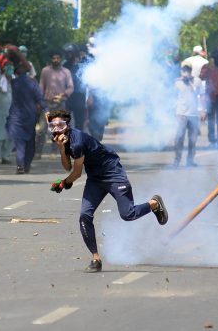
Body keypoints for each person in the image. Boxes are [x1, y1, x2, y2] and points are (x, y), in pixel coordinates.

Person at [47, 109, 168, 272]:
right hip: (95, 179)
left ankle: (154, 204)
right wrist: (61, 148)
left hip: (113, 173)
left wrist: (63, 183)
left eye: (60, 125)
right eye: (52, 126)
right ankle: (96, 259)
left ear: (68, 125)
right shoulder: (60, 140)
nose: (56, 129)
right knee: (84, 215)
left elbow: (75, 173)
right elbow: (67, 166)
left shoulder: (77, 142)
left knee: (128, 214)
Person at [8, 61, 45, 174]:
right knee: (29, 142)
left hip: (17, 116)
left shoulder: (14, 83)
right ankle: (26, 165)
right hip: (29, 116)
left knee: (20, 143)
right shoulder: (32, 83)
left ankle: (21, 165)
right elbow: (39, 99)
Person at [36, 50, 74, 157]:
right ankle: (38, 152)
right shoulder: (45, 71)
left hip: (60, 103)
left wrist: (63, 95)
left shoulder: (66, 72)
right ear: (51, 59)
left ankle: (54, 151)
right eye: (54, 58)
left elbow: (71, 87)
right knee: (42, 129)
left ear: (61, 59)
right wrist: (39, 101)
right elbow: (41, 87)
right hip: (47, 103)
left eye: (58, 58)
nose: (56, 60)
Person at [173, 63, 205, 167]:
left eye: (188, 70)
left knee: (193, 138)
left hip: (193, 114)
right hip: (181, 113)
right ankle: (177, 161)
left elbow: (202, 96)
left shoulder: (197, 81)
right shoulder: (177, 82)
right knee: (179, 138)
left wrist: (203, 110)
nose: (186, 72)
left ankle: (190, 161)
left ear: (191, 71)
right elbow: (173, 97)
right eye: (184, 70)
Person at [63, 44, 88, 131]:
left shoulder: (82, 65)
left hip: (79, 95)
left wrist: (90, 96)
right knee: (64, 121)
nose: (68, 55)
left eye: (70, 52)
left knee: (79, 122)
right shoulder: (63, 65)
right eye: (67, 52)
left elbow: (88, 81)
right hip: (67, 96)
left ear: (75, 53)